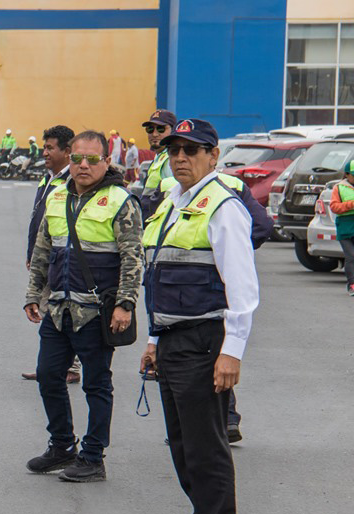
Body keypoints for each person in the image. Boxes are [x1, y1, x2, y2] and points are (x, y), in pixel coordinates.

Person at [140, 119, 258, 514]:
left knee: (205, 452)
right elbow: (159, 273)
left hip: (203, 341)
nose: (180, 158)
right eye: (174, 150)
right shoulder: (172, 200)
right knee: (182, 448)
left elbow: (242, 287)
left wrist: (232, 351)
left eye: (191, 150)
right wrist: (155, 340)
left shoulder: (223, 206)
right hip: (172, 340)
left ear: (213, 156)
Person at [23, 130, 144, 482]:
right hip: (58, 310)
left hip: (95, 312)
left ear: (106, 161)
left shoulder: (121, 201)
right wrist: (34, 295)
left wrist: (125, 304)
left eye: (93, 159)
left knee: (96, 384)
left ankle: (93, 456)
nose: (84, 166)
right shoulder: (57, 196)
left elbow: (133, 257)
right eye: (77, 159)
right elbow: (42, 251)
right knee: (48, 376)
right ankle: (62, 446)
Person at [21, 125, 81, 384]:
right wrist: (32, 254)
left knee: (61, 310)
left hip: (62, 256)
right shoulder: (49, 177)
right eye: (44, 147)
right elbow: (39, 221)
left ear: (67, 151)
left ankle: (70, 367)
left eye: (50, 148)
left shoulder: (72, 180)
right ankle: (50, 364)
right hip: (45, 254)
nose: (44, 152)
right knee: (47, 310)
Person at [140, 110, 177, 220]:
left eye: (161, 129)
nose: (154, 134)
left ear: (173, 131)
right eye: (150, 129)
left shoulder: (171, 159)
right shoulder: (159, 157)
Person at [329, 159, 354, 296]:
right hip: (345, 226)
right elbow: (334, 207)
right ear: (347, 174)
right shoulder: (339, 188)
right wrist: (350, 205)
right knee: (351, 256)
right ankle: (352, 284)